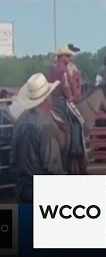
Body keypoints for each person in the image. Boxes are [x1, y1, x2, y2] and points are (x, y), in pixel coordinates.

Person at [10, 73, 65, 202]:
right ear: (46, 99)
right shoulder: (46, 125)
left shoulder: (19, 121)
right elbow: (53, 167)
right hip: (41, 190)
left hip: (21, 188)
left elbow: (12, 161)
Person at [47, 45, 83, 154]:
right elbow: (65, 85)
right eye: (67, 55)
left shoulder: (51, 67)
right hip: (61, 100)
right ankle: (75, 147)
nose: (69, 57)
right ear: (62, 56)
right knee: (77, 120)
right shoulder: (63, 69)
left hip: (51, 99)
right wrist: (69, 97)